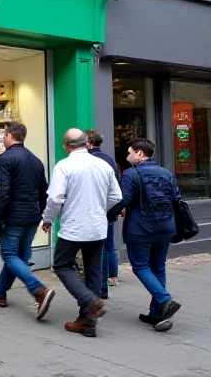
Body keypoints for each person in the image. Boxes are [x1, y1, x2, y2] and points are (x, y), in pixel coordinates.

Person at [43, 129, 122, 337]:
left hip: (74, 227)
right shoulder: (103, 165)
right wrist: (98, 208)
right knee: (94, 270)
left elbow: (55, 198)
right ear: (86, 143)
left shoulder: (64, 166)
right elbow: (116, 196)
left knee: (61, 264)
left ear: (65, 146)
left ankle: (89, 301)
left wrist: (48, 219)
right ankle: (88, 321)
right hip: (97, 225)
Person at [107, 138, 182, 333]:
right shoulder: (166, 173)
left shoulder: (131, 174)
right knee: (158, 267)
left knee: (140, 266)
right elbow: (176, 199)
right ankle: (157, 313)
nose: (127, 156)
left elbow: (125, 199)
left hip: (140, 228)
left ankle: (165, 300)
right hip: (165, 226)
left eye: (130, 152)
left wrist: (109, 214)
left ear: (140, 153)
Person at [0, 122, 54, 320]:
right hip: (31, 216)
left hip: (13, 216)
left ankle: (38, 290)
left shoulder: (6, 159)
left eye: (4, 135)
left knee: (9, 255)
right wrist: (42, 215)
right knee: (20, 257)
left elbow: (3, 193)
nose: (3, 139)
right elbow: (43, 192)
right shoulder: (36, 160)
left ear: (10, 136)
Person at [85, 130, 121, 299]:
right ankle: (111, 278)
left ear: (88, 142)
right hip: (108, 210)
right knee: (109, 246)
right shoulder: (109, 160)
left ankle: (99, 288)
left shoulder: (89, 160)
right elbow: (116, 188)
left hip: (95, 210)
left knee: (97, 251)